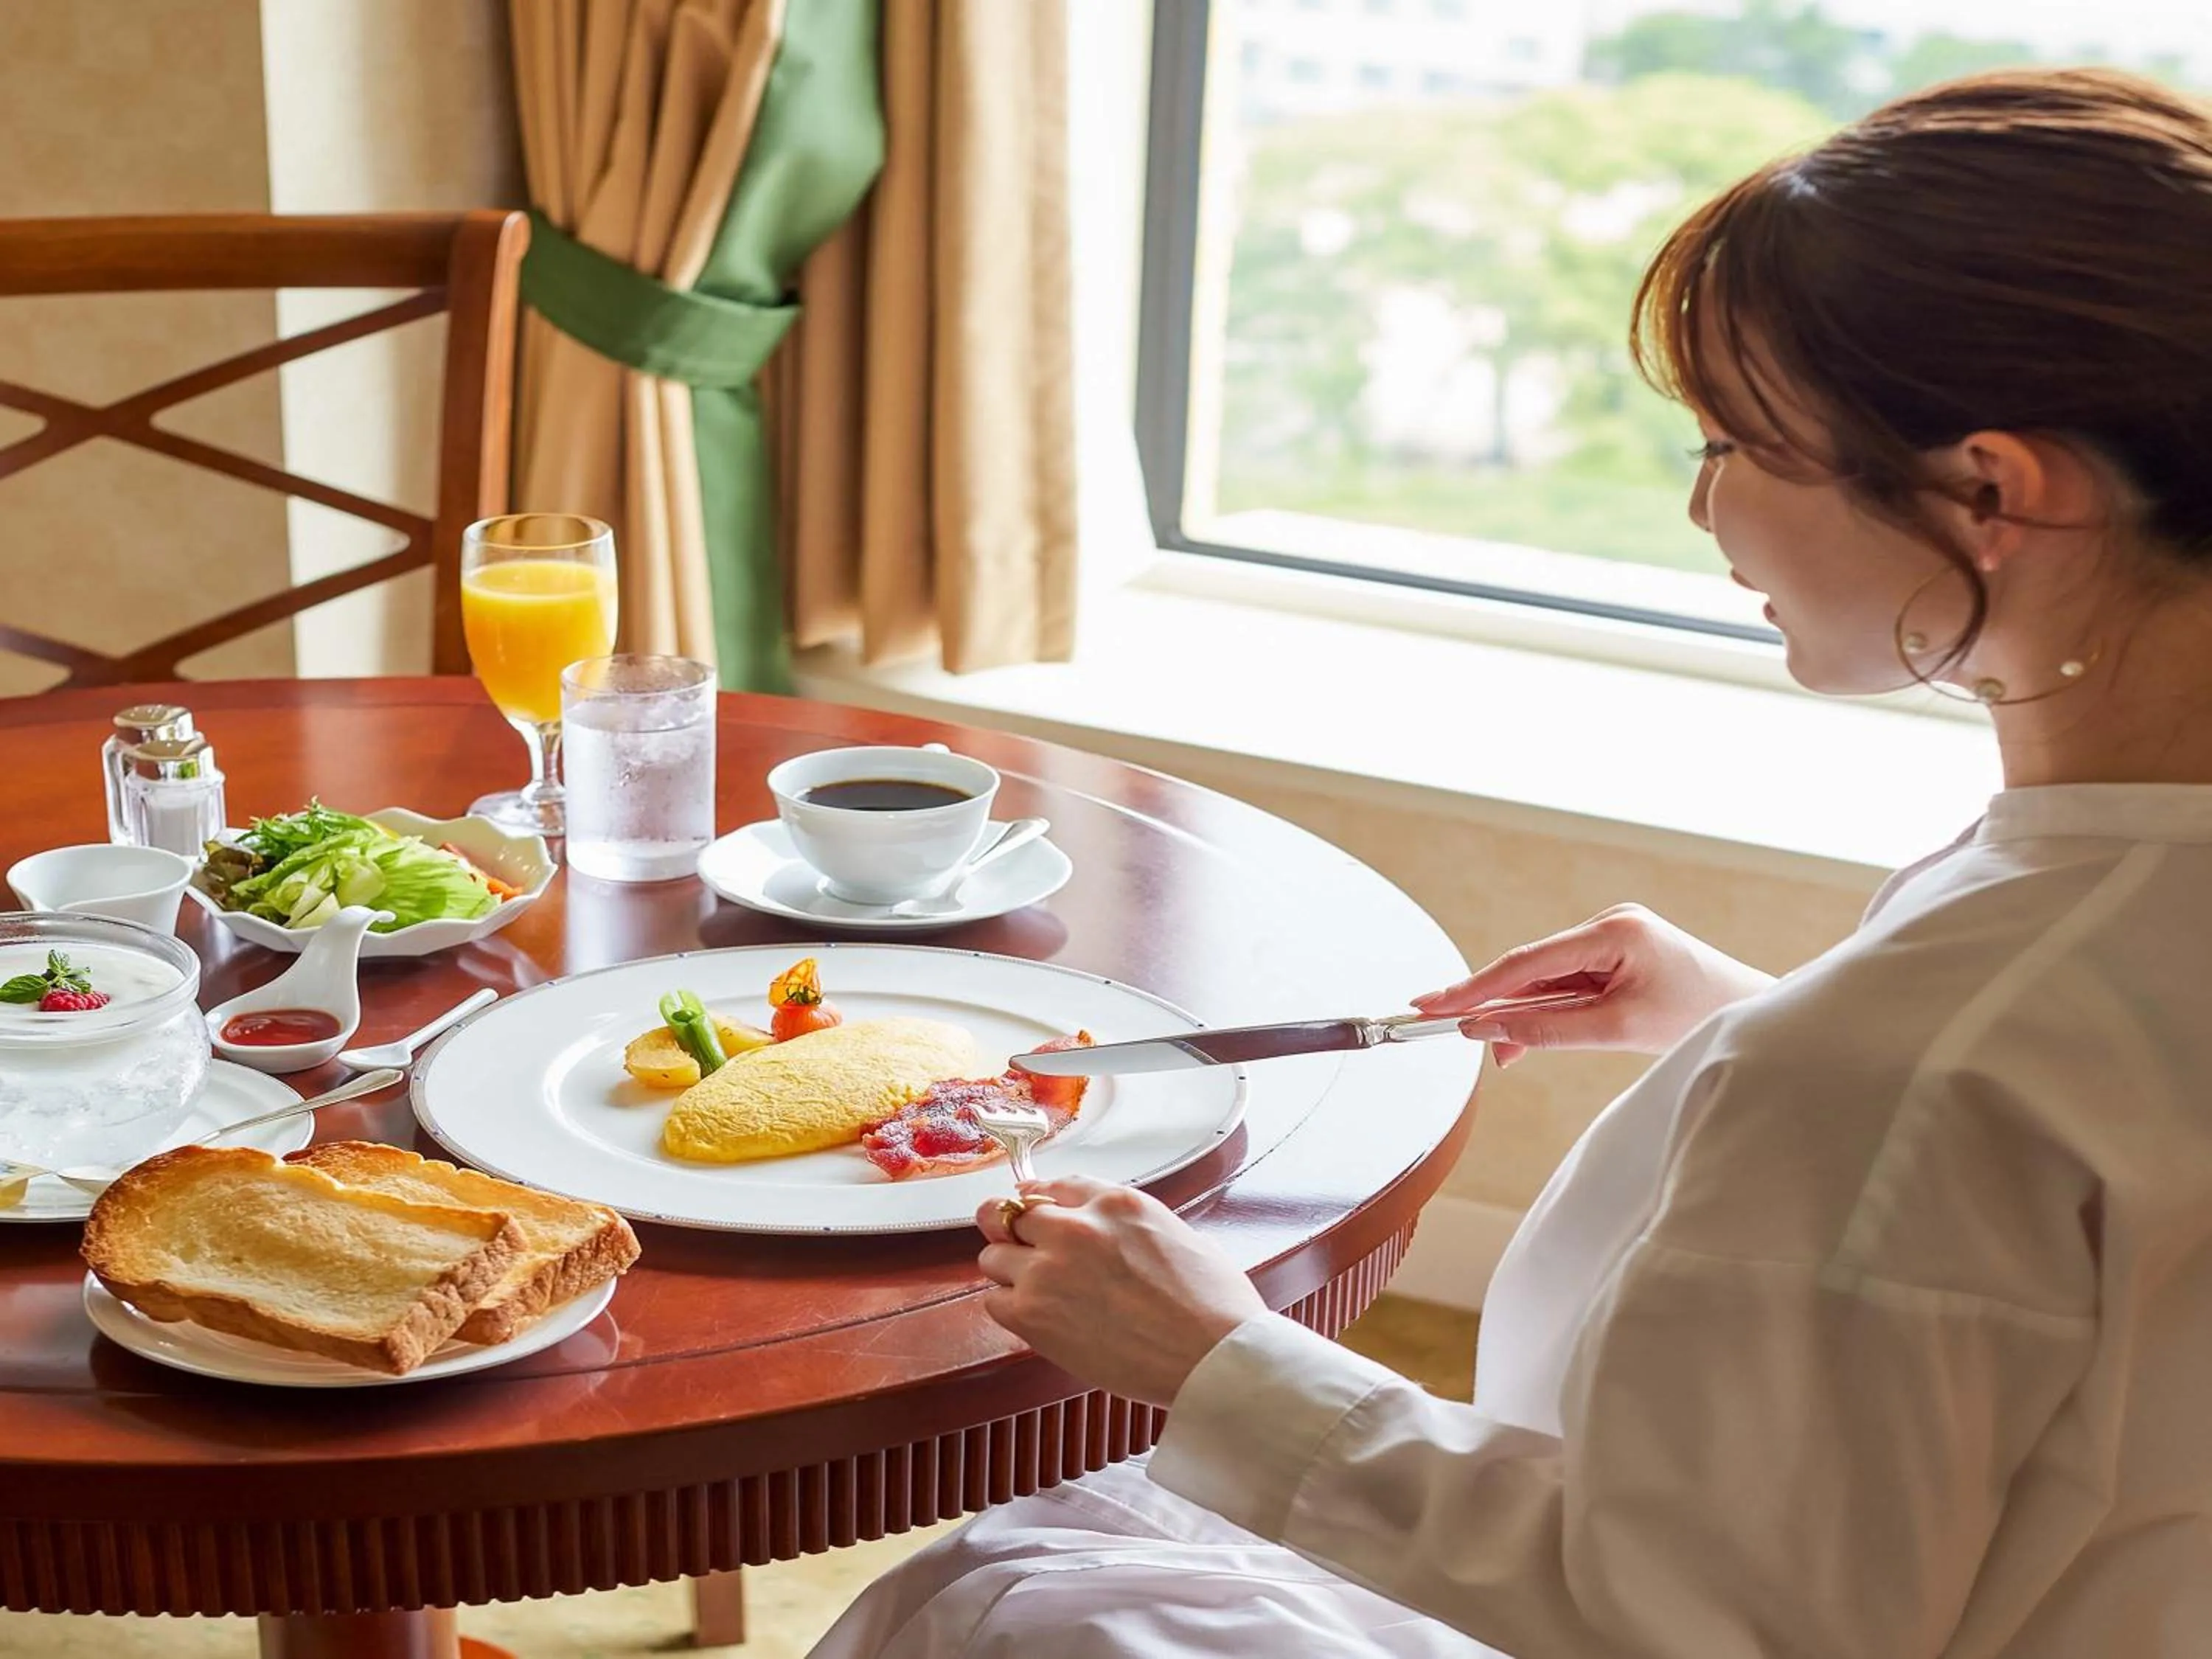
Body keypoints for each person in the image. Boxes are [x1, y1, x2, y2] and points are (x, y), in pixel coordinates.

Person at [810, 68, 2212, 1658]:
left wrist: (1219, 1362)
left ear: (1991, 489)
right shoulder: (2082, 907)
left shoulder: (1911, 1063)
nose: (1704, 507)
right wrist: (1739, 1023)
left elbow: (1699, 1623)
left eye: (1736, 442)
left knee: (997, 1601)